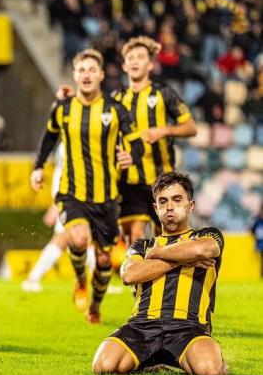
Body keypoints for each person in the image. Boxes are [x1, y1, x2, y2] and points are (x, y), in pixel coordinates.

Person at [30, 48, 139, 324]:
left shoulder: (115, 110)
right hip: (71, 193)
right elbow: (48, 138)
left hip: (106, 197)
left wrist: (132, 155)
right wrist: (38, 167)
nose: (87, 75)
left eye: (92, 70)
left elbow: (135, 139)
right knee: (77, 240)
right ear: (74, 75)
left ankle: (95, 305)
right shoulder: (64, 108)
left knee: (104, 261)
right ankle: (80, 279)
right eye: (81, 70)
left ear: (101, 75)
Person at [57, 36, 197, 247]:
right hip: (130, 183)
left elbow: (191, 127)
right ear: (124, 65)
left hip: (163, 179)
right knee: (136, 238)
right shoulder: (116, 98)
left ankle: (166, 277)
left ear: (150, 64)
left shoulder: (163, 94)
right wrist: (70, 97)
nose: (134, 61)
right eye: (130, 57)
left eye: (140, 57)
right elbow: (90, 108)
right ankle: (138, 278)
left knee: (169, 240)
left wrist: (164, 130)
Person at [92, 171, 228, 375]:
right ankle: (149, 361)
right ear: (156, 209)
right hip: (142, 326)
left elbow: (202, 251)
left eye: (177, 200)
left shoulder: (207, 235)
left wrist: (158, 254)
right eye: (163, 201)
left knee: (210, 370)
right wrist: (181, 260)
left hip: (189, 327)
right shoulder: (142, 245)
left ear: (190, 205)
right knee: (104, 366)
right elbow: (129, 275)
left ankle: (205, 354)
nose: (170, 206)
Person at [22, 145, 96, 292]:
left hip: (78, 199)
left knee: (88, 239)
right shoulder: (69, 145)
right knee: (62, 239)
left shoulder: (73, 142)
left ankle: (100, 283)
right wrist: (57, 204)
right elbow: (64, 175)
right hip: (70, 200)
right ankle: (32, 279)